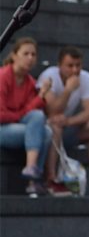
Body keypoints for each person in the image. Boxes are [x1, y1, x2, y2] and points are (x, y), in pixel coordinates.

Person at [39, 46, 89, 196]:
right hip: (46, 129)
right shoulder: (48, 76)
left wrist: (68, 121)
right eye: (70, 66)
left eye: (78, 65)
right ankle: (51, 180)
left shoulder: (85, 77)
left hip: (67, 127)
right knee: (55, 125)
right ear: (59, 65)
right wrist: (68, 90)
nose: (75, 70)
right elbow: (52, 111)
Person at [0, 37, 52, 196]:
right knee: (40, 130)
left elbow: (30, 112)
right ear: (14, 55)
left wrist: (41, 95)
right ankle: (33, 179)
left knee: (46, 129)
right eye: (26, 53)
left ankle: (31, 171)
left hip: (16, 125)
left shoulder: (30, 82)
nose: (30, 58)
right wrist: (19, 115)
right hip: (2, 128)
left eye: (33, 54)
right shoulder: (3, 76)